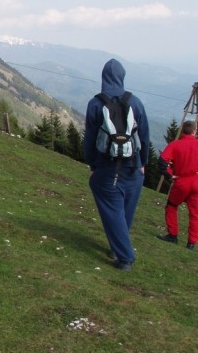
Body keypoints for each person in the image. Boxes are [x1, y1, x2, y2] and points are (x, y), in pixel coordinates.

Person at [83, 59, 149, 271]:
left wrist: (93, 165)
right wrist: (143, 163)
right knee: (124, 212)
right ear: (122, 77)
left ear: (103, 78)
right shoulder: (135, 102)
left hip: (106, 167)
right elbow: (145, 136)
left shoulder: (95, 103)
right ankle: (118, 247)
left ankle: (125, 257)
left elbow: (90, 139)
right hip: (134, 167)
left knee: (112, 210)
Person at [157, 120, 198, 250]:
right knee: (195, 213)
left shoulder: (175, 145)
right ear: (194, 131)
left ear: (182, 131)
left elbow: (162, 161)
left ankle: (173, 235)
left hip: (181, 181)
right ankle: (191, 243)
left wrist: (170, 175)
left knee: (171, 206)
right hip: (197, 182)